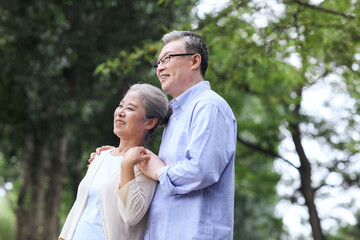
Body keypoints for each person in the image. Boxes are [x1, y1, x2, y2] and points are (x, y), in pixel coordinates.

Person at [92, 30, 237, 239]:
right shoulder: (177, 115)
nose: (160, 67)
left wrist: (160, 172)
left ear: (194, 61)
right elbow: (153, 166)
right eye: (158, 62)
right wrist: (117, 155)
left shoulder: (209, 106)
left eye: (167, 58)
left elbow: (201, 169)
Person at [59, 83, 171, 240]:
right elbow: (79, 209)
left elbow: (132, 215)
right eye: (121, 106)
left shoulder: (147, 163)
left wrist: (127, 165)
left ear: (150, 123)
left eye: (130, 109)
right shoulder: (101, 156)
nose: (120, 112)